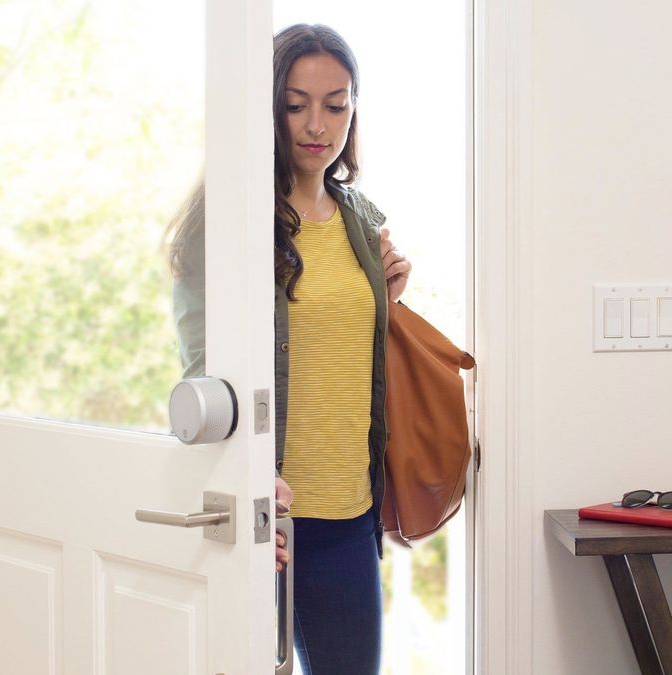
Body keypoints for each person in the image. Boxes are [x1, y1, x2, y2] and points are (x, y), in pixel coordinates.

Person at [166, 23, 410, 675]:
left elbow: (338, 345)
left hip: (351, 516)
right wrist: (246, 486)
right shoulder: (227, 220)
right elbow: (202, 373)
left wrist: (389, 298)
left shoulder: (361, 216)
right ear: (265, 104)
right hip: (270, 519)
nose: (317, 124)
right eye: (296, 102)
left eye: (336, 103)